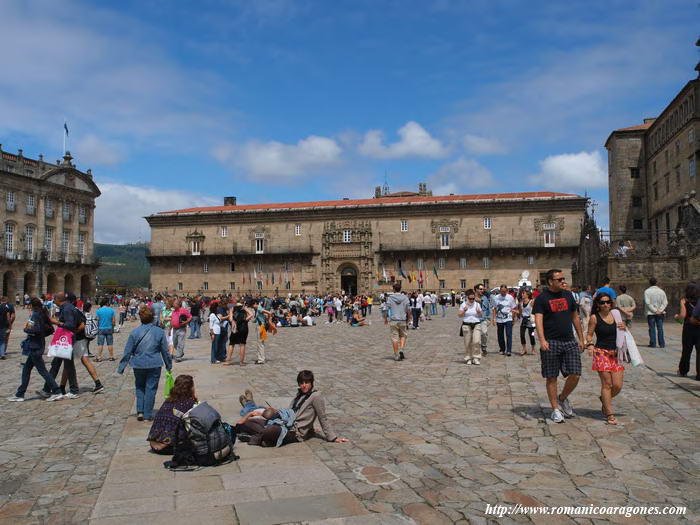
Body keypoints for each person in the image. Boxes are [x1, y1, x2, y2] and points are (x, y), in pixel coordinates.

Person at [533, 269, 585, 424]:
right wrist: (542, 340)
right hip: (551, 341)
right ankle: (555, 409)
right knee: (551, 376)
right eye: (559, 279)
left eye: (563, 278)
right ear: (550, 282)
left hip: (569, 340)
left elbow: (575, 317)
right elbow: (538, 320)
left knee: (575, 373)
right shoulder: (542, 298)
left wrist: (581, 338)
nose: (563, 281)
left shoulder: (568, 295)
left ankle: (562, 398)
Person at [117, 306, 172, 421]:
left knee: (140, 386)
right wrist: (168, 365)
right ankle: (147, 414)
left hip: (138, 364)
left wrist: (121, 367)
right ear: (152, 318)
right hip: (154, 363)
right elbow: (165, 351)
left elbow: (127, 351)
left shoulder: (134, 332)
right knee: (151, 388)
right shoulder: (159, 332)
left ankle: (140, 411)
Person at [7, 298, 63, 402]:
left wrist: (26, 329)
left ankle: (56, 391)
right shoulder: (42, 313)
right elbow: (50, 329)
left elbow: (36, 330)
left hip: (35, 346)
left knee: (42, 371)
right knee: (26, 369)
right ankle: (20, 394)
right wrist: (41, 335)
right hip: (38, 344)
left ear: (31, 305)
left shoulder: (36, 315)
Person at [585, 292, 626, 425]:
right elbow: (589, 334)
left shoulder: (616, 315)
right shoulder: (594, 318)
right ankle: (609, 414)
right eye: (602, 302)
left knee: (618, 385)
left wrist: (624, 328)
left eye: (608, 302)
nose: (605, 304)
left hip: (616, 353)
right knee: (607, 384)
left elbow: (623, 332)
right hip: (601, 353)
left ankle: (604, 399)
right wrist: (590, 345)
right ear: (598, 304)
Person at [39, 292, 81, 399]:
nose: (53, 301)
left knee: (68, 365)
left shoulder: (67, 309)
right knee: (56, 364)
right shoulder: (67, 307)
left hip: (66, 341)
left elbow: (70, 324)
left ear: (58, 299)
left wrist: (56, 322)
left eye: (54, 299)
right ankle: (47, 389)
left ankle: (74, 390)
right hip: (63, 340)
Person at [147, 374, 197, 453]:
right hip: (169, 447)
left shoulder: (168, 400)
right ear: (189, 388)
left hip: (153, 445)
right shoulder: (189, 403)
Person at [675, 283, 700, 380]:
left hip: (688, 329)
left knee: (686, 350)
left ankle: (683, 370)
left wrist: (681, 306)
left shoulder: (685, 301)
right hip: (699, 327)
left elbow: (682, 316)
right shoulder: (699, 301)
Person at [385, 283, 410, 361]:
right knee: (403, 336)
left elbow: (386, 309)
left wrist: (385, 318)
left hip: (394, 320)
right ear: (400, 289)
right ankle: (401, 349)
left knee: (394, 338)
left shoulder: (390, 298)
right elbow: (408, 309)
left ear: (394, 289)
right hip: (402, 319)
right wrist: (408, 318)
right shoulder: (405, 297)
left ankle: (396, 355)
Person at [459, 289, 483, 365]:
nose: (472, 300)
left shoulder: (477, 304)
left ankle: (476, 357)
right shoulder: (463, 305)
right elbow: (459, 315)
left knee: (477, 341)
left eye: (473, 298)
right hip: (466, 324)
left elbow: (481, 315)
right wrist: (464, 311)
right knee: (467, 342)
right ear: (467, 297)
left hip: (476, 324)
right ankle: (468, 357)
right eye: (470, 298)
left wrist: (479, 312)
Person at [492, 285, 516, 356]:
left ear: (507, 291)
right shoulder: (496, 298)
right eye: (502, 291)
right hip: (499, 319)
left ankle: (509, 350)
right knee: (500, 335)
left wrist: (513, 319)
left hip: (508, 318)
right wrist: (494, 318)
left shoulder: (510, 297)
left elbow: (513, 308)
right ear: (499, 291)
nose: (503, 293)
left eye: (505, 291)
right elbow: (494, 308)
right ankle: (502, 349)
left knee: (509, 334)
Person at [644, 277, 668, 348]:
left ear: (649, 283)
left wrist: (654, 310)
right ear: (656, 282)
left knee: (652, 328)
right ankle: (662, 343)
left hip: (651, 313)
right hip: (660, 313)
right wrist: (660, 310)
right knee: (660, 328)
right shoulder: (661, 291)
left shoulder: (647, 291)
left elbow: (647, 303)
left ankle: (653, 343)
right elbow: (665, 302)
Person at [252, 299, 271, 364]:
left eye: (252, 305)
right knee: (260, 343)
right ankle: (261, 358)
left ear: (255, 303)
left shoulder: (259, 308)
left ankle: (261, 360)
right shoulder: (258, 309)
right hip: (260, 326)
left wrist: (268, 320)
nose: (252, 306)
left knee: (260, 344)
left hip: (260, 327)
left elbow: (269, 313)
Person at [474, 284, 491, 356]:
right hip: (474, 320)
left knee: (484, 333)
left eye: (483, 289)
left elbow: (488, 309)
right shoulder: (472, 298)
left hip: (483, 319)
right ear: (476, 289)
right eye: (480, 289)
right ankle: (476, 350)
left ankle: (483, 347)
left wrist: (488, 319)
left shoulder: (485, 298)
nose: (482, 290)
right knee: (475, 337)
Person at [518, 290, 536, 355]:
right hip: (523, 320)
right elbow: (520, 312)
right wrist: (514, 311)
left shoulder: (531, 302)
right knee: (522, 334)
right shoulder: (521, 303)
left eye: (523, 293)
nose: (522, 294)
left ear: (527, 295)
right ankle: (524, 349)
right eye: (522, 293)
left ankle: (533, 349)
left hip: (531, 320)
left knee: (532, 335)